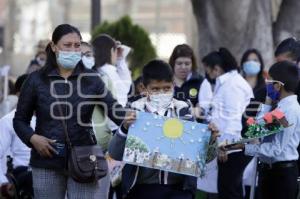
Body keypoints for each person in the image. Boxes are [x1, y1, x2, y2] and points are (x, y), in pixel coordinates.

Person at [13, 24, 127, 199]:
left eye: (77, 45)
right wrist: (33, 139)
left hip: (85, 160)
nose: (73, 49)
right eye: (67, 45)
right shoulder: (36, 80)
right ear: (53, 47)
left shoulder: (92, 79)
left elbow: (114, 109)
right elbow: (20, 119)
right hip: (46, 161)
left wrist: (130, 118)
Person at [108, 59, 218, 199]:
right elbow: (115, 154)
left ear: (173, 85)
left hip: (178, 190)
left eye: (166, 88)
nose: (161, 93)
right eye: (155, 89)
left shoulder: (183, 111)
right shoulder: (135, 111)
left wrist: (211, 141)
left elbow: (202, 158)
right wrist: (124, 128)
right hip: (142, 189)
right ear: (143, 88)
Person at [229, 61, 300, 199]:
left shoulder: (288, 110)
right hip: (271, 172)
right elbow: (256, 131)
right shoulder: (282, 108)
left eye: (270, 81)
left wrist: (246, 147)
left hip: (281, 175)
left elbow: (275, 149)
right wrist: (267, 103)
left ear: (278, 85)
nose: (267, 85)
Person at [204, 48, 253, 199]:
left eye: (208, 71)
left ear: (216, 69)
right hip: (231, 146)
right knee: (231, 189)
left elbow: (233, 120)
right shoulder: (226, 83)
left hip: (234, 147)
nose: (208, 74)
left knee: (228, 191)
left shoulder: (232, 85)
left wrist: (225, 147)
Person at [0, 74, 34, 198]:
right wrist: (4, 183)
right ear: (19, 94)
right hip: (20, 179)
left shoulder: (50, 120)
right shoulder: (7, 121)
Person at [92, 34, 132, 108]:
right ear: (111, 51)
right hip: (114, 115)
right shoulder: (108, 71)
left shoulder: (94, 70)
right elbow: (125, 88)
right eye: (116, 52)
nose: (116, 56)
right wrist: (120, 59)